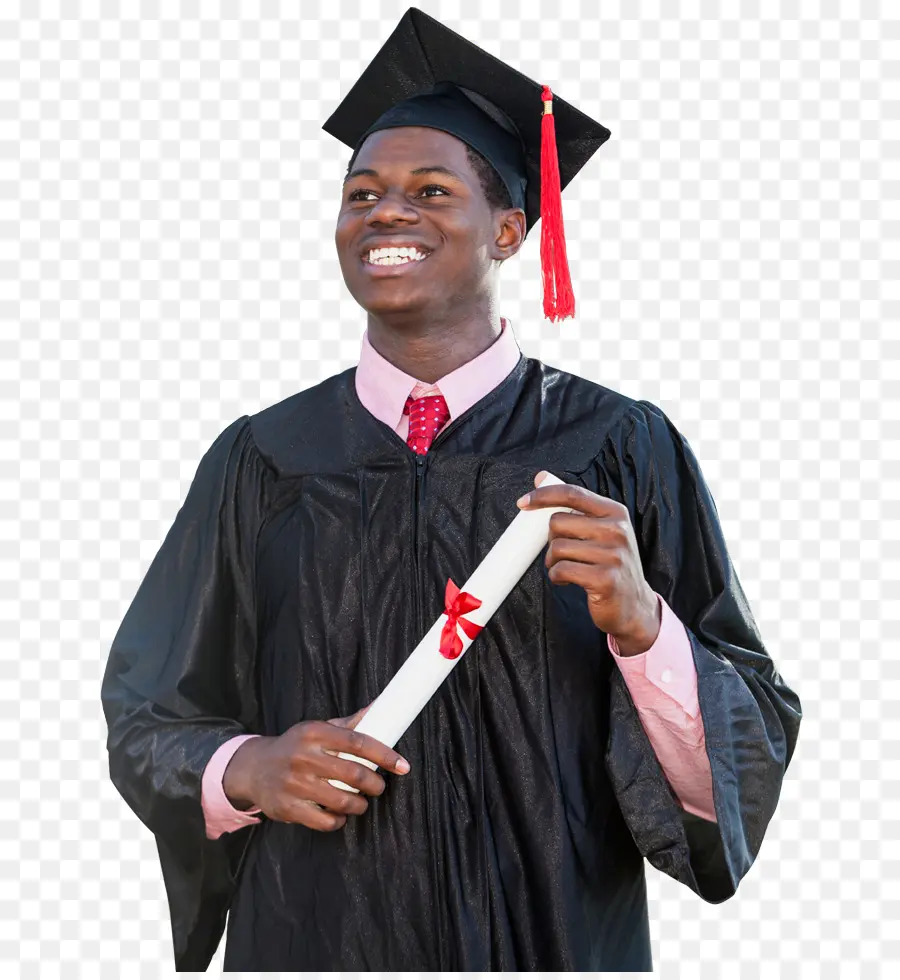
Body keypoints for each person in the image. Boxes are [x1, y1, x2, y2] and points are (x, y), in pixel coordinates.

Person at [101, 7, 802, 972]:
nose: (385, 212)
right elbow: (148, 714)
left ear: (510, 229)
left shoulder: (616, 447)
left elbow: (749, 736)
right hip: (316, 936)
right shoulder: (264, 459)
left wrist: (646, 628)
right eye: (361, 194)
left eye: (432, 189)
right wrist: (250, 768)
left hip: (552, 938)